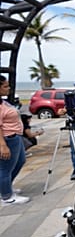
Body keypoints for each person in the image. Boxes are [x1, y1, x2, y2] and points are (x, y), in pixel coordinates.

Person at [0, 75, 29, 206]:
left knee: (20, 161)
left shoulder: (3, 102)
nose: (9, 88)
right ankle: (6, 197)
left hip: (16, 137)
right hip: (8, 139)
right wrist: (3, 145)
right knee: (5, 168)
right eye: (5, 86)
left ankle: (6, 187)